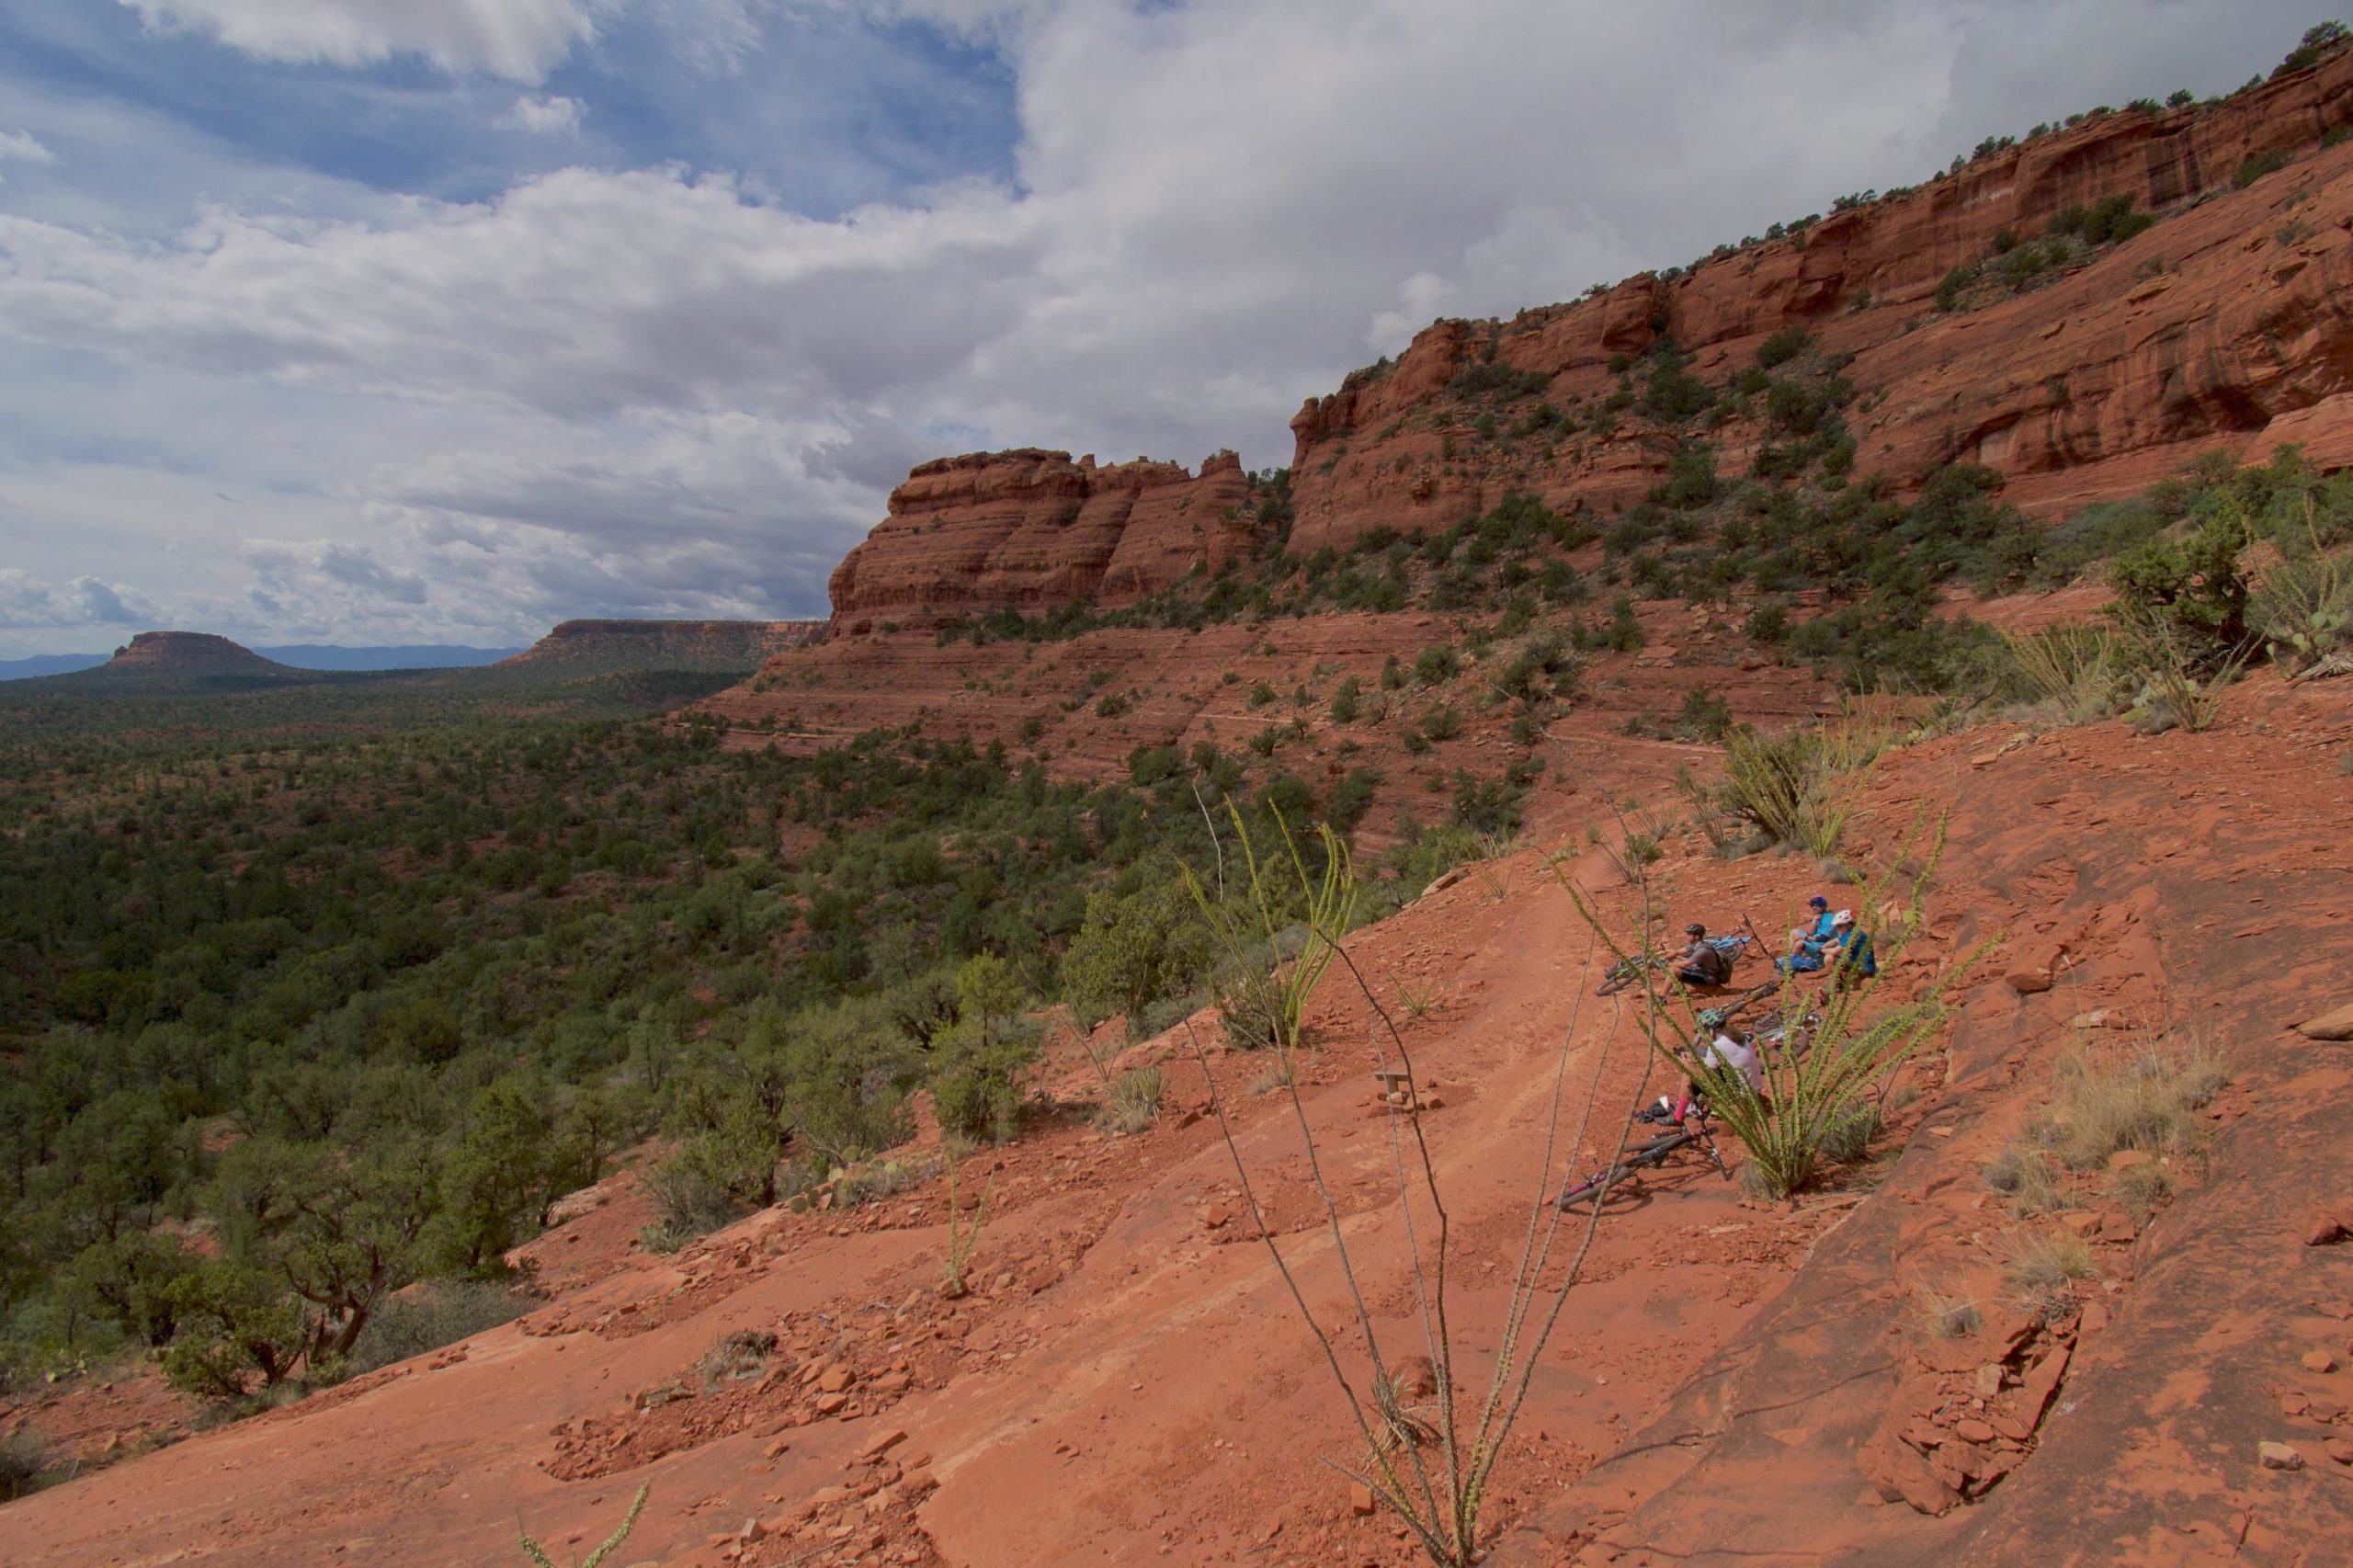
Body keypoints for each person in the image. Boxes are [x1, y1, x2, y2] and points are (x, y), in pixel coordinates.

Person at [1827, 908, 1878, 983]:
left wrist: (1821, 950)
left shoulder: (1852, 934)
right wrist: (1823, 946)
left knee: (1829, 957)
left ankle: (1835, 983)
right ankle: (1838, 983)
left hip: (1865, 969)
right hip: (1861, 967)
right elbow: (1836, 940)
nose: (1838, 929)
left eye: (1840, 926)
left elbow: (1835, 952)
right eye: (1837, 926)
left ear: (1849, 925)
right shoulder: (1850, 933)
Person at [1673, 922, 1732, 987]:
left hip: (1709, 978)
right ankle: (1679, 987)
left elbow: (1686, 964)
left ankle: (1662, 996)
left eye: (1689, 934)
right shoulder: (1695, 945)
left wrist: (1668, 964)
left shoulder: (1703, 950)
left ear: (1697, 936)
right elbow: (1677, 952)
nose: (1687, 936)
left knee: (1674, 970)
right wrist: (1664, 959)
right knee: (1676, 963)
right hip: (1704, 973)